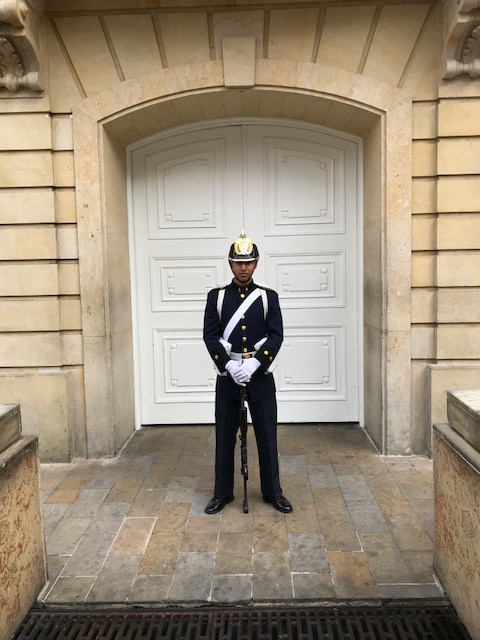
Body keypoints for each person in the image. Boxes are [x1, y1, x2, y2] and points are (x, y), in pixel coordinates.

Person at [203, 230, 293, 515]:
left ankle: (272, 492)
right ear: (231, 263)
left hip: (260, 377)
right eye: (239, 262)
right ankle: (222, 493)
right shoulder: (216, 297)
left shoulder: (268, 297)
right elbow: (210, 336)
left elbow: (276, 335)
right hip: (228, 379)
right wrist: (228, 365)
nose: (244, 268)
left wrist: (255, 364)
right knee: (224, 438)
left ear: (256, 263)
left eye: (249, 262)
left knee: (267, 436)